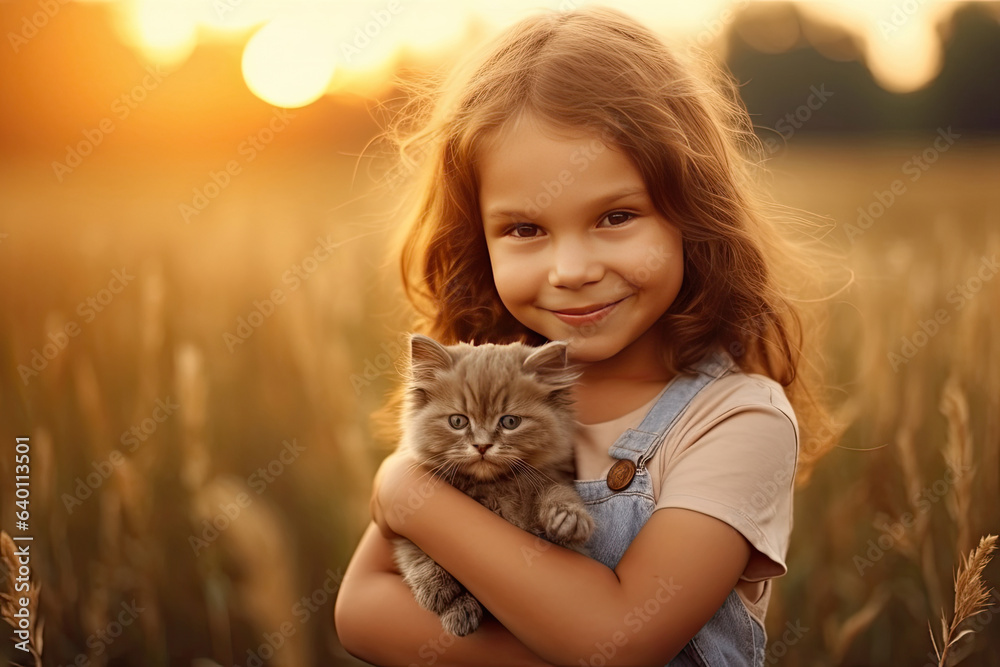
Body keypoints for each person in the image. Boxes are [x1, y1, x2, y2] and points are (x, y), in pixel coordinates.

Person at [335, 5, 839, 665]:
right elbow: (362, 609)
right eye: (524, 229)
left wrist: (407, 492)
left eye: (616, 215)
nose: (571, 270)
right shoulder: (485, 393)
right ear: (476, 240)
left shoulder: (737, 419)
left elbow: (619, 636)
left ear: (692, 212)